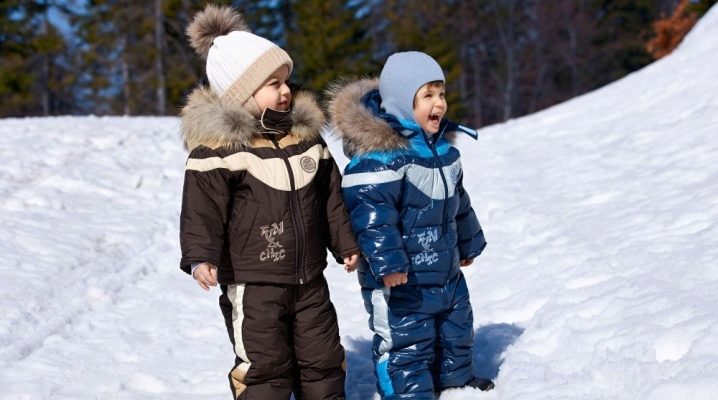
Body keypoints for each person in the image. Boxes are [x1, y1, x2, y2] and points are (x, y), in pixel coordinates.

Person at [178, 5, 360, 399]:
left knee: (323, 357)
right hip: (253, 283)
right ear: (241, 95)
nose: (284, 91)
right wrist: (200, 256)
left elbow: (330, 198)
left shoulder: (306, 140)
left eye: (286, 81)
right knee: (265, 365)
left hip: (309, 278)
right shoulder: (219, 152)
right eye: (271, 83)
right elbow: (202, 211)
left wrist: (346, 243)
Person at [328, 51, 494, 398]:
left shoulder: (443, 153)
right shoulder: (379, 160)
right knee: (406, 343)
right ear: (404, 103)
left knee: (456, 329)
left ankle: (455, 382)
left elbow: (458, 204)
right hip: (400, 281)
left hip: (445, 270)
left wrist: (468, 242)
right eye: (427, 95)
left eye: (441, 93)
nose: (439, 104)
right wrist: (388, 265)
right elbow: (372, 219)